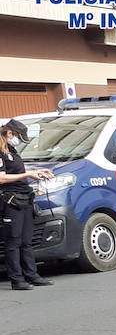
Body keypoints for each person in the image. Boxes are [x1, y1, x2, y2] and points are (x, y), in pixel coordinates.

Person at [1, 118, 54, 290]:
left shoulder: (11, 148)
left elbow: (19, 170)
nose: (18, 140)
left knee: (26, 241)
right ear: (9, 133)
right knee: (13, 241)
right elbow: (1, 178)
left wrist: (38, 172)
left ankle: (32, 275)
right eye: (17, 136)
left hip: (24, 198)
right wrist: (27, 175)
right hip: (10, 201)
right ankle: (17, 279)